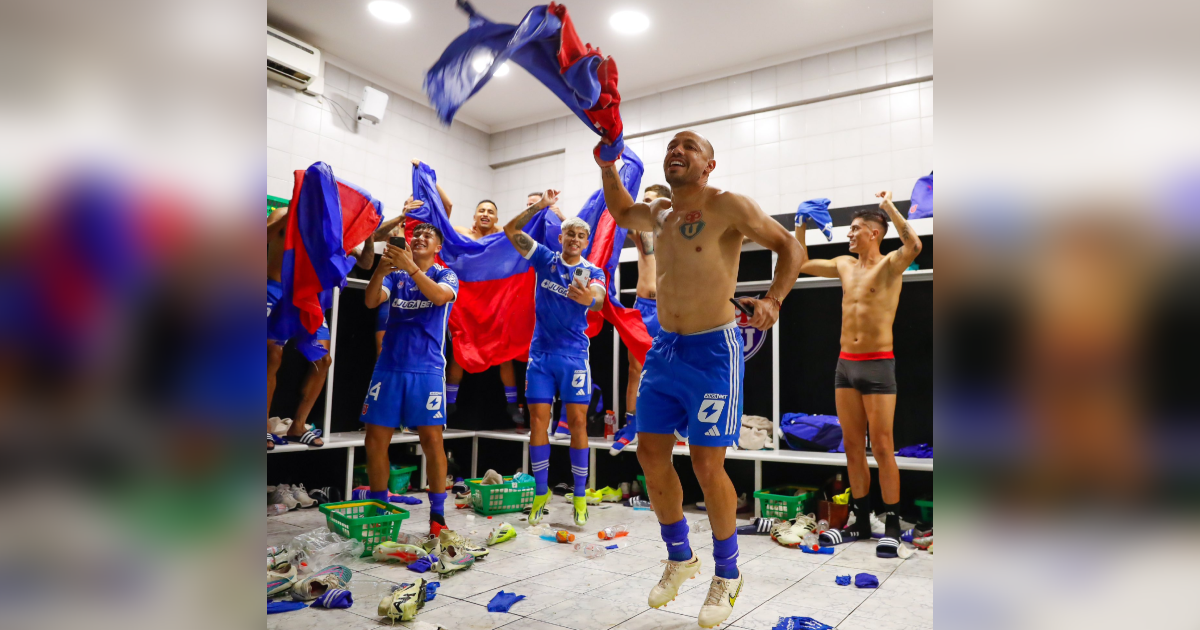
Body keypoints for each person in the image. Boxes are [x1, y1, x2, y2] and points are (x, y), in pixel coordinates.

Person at [596, 131, 804, 628]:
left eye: (689, 146)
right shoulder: (661, 213)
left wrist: (774, 299)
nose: (677, 151)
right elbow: (624, 212)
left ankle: (728, 573)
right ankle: (679, 558)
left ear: (710, 164)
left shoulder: (727, 204)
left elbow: (789, 248)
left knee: (708, 466)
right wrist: (607, 165)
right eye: (672, 145)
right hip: (665, 350)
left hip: (714, 351)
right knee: (650, 454)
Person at [803, 192, 922, 558]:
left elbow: (914, 244)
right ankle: (860, 519)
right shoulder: (843, 264)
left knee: (883, 447)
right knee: (852, 447)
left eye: (855, 229)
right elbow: (802, 263)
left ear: (873, 233)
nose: (849, 235)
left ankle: (891, 525)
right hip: (846, 365)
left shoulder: (889, 265)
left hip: (878, 364)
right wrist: (799, 225)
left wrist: (889, 208)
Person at [503, 189, 606, 527]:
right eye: (570, 234)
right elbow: (510, 231)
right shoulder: (545, 258)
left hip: (575, 357)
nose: (575, 239)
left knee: (577, 423)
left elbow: (601, 300)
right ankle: (541, 493)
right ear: (560, 236)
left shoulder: (593, 272)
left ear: (586, 241)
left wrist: (588, 298)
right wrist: (540, 206)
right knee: (537, 423)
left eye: (581, 235)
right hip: (541, 357)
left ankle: (578, 494)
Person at [361, 222, 459, 536]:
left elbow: (441, 298)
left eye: (426, 237)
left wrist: (412, 268)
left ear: (437, 247)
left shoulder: (445, 273)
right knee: (375, 441)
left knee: (432, 441)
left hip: (427, 370)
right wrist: (381, 269)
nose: (418, 239)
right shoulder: (395, 275)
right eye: (415, 235)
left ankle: (438, 516)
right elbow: (371, 301)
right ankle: (378, 511)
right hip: (389, 368)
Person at [445, 197, 524, 425]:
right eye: (481, 210)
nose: (485, 214)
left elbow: (515, 230)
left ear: (496, 218)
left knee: (504, 355)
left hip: (494, 304)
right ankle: (450, 404)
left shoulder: (501, 236)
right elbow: (444, 228)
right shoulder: (463, 233)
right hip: (468, 304)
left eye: (490, 211)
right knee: (460, 352)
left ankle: (511, 405)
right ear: (475, 216)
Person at [267, 205, 327, 449]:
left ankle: (298, 426)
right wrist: (290, 214)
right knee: (272, 356)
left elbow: (362, 261)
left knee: (322, 360)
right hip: (272, 288)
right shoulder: (284, 213)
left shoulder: (323, 226)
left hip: (304, 295)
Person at [616, 184, 670, 450]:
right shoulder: (640, 229)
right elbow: (616, 216)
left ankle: (670, 423)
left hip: (669, 309)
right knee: (635, 369)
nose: (645, 204)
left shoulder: (678, 231)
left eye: (651, 200)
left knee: (671, 368)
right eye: (644, 200)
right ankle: (631, 423)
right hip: (643, 308)